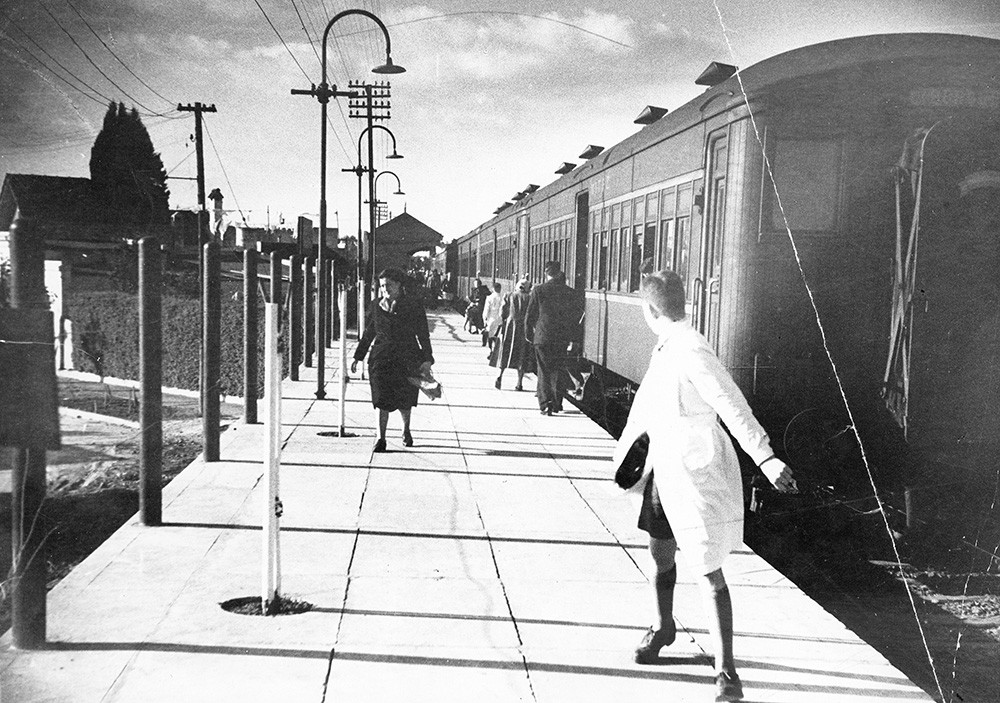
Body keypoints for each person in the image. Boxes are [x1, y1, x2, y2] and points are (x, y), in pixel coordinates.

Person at [612, 269, 795, 702]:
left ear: (650, 309)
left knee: (707, 566)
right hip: (663, 469)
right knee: (659, 553)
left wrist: (765, 457)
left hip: (695, 470)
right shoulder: (666, 344)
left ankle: (727, 672)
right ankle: (663, 628)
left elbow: (730, 403)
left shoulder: (691, 347)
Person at [351, 268, 434, 452]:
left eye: (388, 285)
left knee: (405, 399)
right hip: (381, 359)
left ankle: (406, 430)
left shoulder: (413, 305)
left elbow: (423, 334)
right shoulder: (375, 305)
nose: (384, 289)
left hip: (407, 358)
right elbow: (369, 332)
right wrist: (358, 356)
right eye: (382, 286)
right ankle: (381, 438)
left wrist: (427, 358)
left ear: (399, 284)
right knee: (381, 398)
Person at [525, 261, 584, 415]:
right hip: (561, 338)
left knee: (543, 370)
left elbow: (530, 316)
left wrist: (530, 335)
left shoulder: (538, 290)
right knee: (558, 370)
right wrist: (574, 339)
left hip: (542, 337)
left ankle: (546, 404)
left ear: (546, 273)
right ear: (559, 273)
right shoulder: (570, 292)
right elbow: (575, 319)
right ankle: (557, 403)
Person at [490, 276, 536, 390]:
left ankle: (499, 376)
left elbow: (502, 313)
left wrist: (505, 320)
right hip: (524, 329)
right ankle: (519, 383)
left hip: (510, 328)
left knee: (505, 352)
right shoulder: (530, 298)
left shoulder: (509, 295)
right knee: (522, 355)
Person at [482, 282, 504, 353]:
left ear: (493, 289)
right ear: (500, 288)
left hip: (491, 318)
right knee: (498, 335)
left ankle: (491, 350)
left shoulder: (489, 298)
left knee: (490, 335)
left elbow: (486, 310)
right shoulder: (503, 297)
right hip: (500, 319)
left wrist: (485, 319)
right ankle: (497, 350)